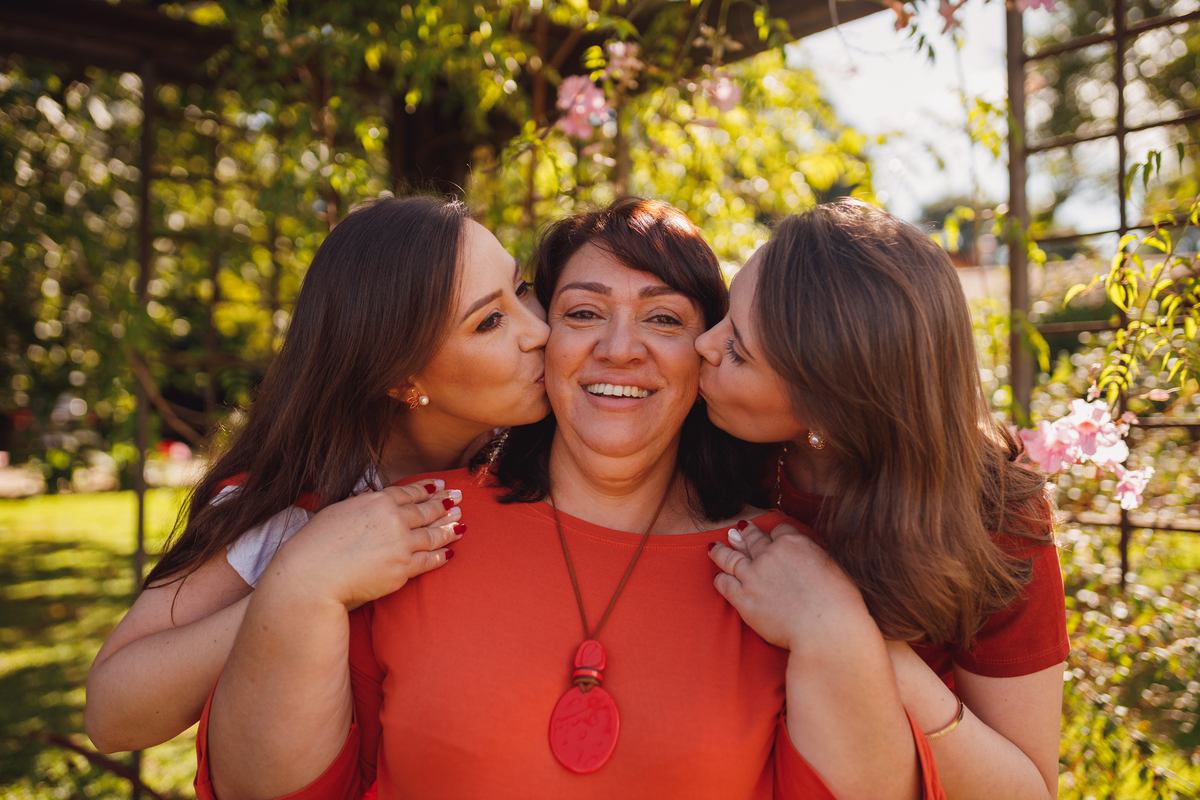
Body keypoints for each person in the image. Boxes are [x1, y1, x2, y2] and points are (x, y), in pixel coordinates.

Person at [194, 198, 944, 800]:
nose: (620, 347)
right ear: (538, 336)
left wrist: (837, 634)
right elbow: (261, 788)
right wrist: (299, 583)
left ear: (710, 350)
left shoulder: (795, 580)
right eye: (583, 312)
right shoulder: (399, 531)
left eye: (664, 318)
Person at [85, 195, 551, 753]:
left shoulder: (554, 449)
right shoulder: (297, 503)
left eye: (522, 288)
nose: (539, 330)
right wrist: (300, 584)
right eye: (490, 321)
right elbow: (112, 715)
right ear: (402, 381)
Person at [698, 198, 1067, 800]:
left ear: (829, 409)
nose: (703, 345)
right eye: (724, 318)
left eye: (737, 349)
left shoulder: (995, 516)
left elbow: (1026, 792)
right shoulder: (724, 454)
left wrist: (851, 634)